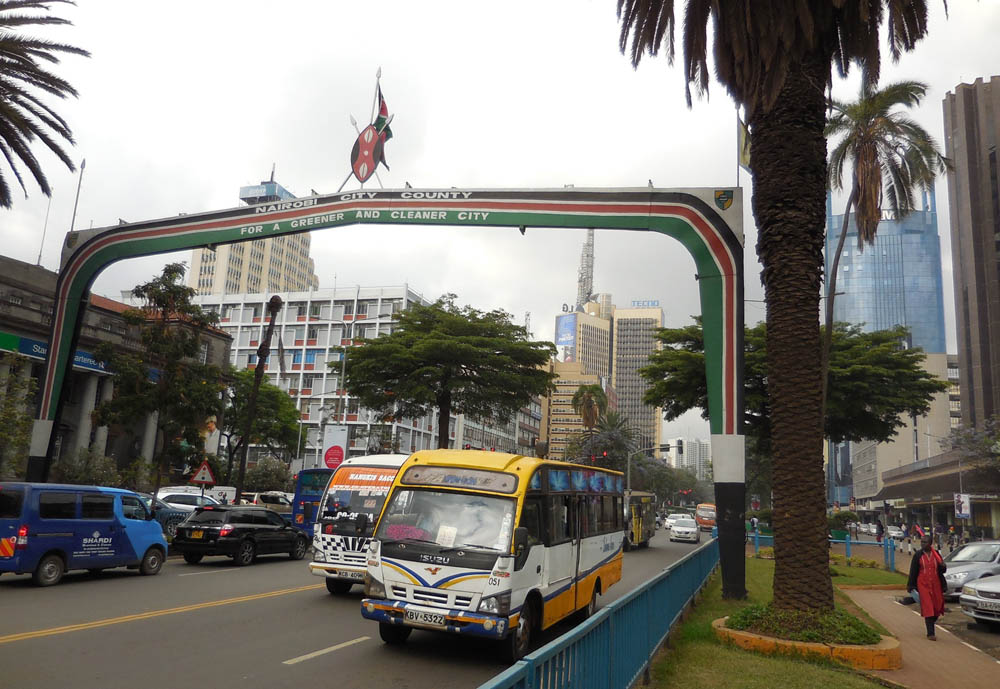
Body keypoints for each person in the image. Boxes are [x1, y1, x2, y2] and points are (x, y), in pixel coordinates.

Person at [907, 534, 947, 640]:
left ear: (930, 544)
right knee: (928, 607)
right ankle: (931, 633)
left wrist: (943, 566)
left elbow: (942, 570)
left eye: (925, 542)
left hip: (936, 584)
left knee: (937, 607)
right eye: (922, 542)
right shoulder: (918, 555)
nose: (923, 544)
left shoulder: (936, 555)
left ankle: (930, 622)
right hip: (923, 584)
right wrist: (911, 586)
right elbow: (913, 571)